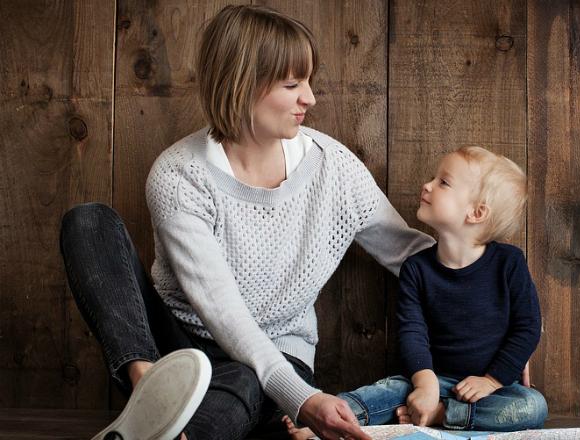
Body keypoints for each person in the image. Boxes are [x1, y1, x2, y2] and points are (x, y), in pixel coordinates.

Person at [59, 4, 434, 440]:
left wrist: (499, 313)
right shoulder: (179, 174)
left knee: (241, 380)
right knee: (88, 223)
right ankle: (150, 393)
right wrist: (305, 400)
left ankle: (163, 429)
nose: (309, 98)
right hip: (174, 346)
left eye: (308, 82)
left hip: (276, 356)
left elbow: (410, 255)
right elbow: (220, 308)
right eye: (293, 84)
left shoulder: (335, 168)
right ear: (242, 85)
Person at [284, 146, 547, 439]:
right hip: (432, 378)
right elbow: (412, 332)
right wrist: (425, 384)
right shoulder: (417, 269)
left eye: (443, 182)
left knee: (533, 406)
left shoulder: (509, 263)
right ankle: (328, 418)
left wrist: (492, 380)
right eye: (434, 178)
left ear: (477, 212)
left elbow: (527, 327)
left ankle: (444, 415)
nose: (428, 185)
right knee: (386, 391)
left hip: (490, 389)